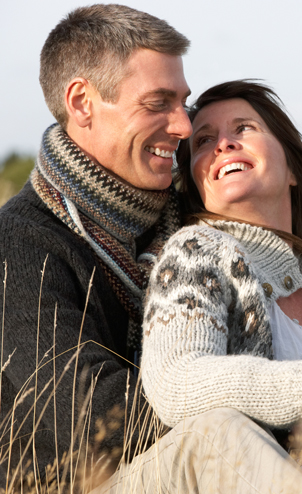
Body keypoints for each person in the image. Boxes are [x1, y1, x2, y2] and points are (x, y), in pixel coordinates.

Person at [0, 4, 192, 489]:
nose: (184, 126)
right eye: (158, 103)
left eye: (183, 102)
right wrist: (259, 396)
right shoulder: (17, 243)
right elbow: (91, 415)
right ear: (82, 102)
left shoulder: (191, 225)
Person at [139, 80, 302, 493]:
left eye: (243, 128)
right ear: (197, 188)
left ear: (292, 169)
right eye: (204, 140)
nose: (223, 144)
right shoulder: (195, 252)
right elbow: (177, 382)